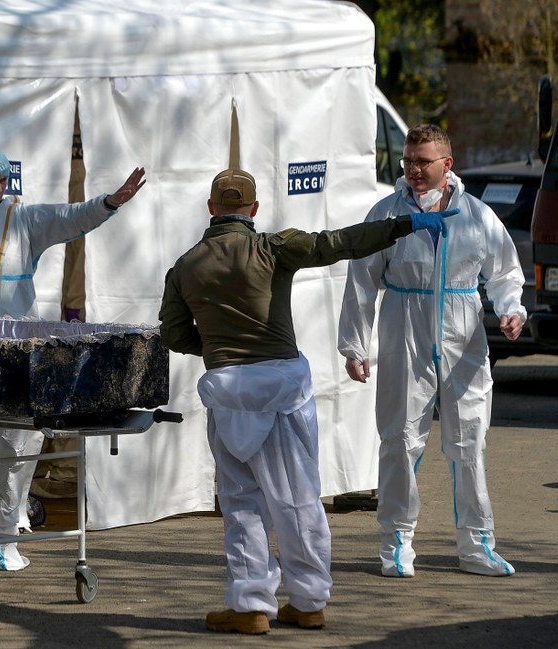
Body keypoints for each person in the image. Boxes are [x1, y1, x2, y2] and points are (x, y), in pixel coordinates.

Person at [158, 167, 456, 635]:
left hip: (228, 391)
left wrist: (217, 346)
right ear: (253, 210)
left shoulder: (186, 265)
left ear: (211, 208)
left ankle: (250, 605)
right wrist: (404, 225)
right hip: (282, 387)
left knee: (241, 505)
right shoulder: (274, 247)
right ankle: (309, 600)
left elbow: (175, 334)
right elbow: (338, 243)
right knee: (298, 500)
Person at [0, 144, 146, 572]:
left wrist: (109, 203)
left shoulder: (22, 219)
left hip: (16, 349)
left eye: (2, 180)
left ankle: (0, 540)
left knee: (15, 445)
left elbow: (68, 217)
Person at [337, 124, 526, 579]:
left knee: (470, 440)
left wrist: (510, 308)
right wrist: (355, 345)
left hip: (463, 335)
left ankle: (477, 545)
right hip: (405, 326)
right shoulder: (386, 214)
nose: (414, 169)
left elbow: (504, 270)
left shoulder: (477, 216)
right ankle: (396, 542)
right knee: (399, 438)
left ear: (448, 164)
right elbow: (361, 281)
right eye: (408, 160)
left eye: (424, 161)